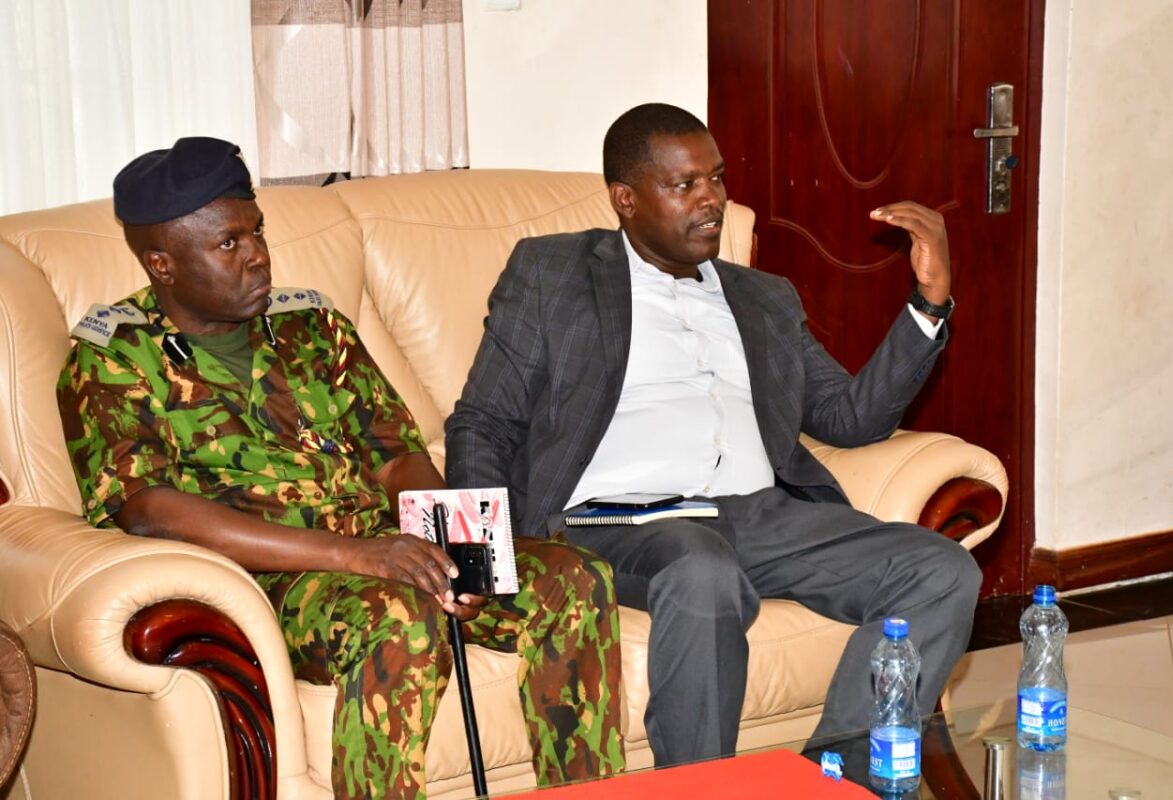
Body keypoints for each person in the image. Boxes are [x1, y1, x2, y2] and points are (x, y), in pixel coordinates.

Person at [56, 137, 624, 800]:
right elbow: (149, 512)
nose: (258, 257)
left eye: (257, 232)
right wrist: (358, 556)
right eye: (228, 245)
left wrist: (452, 550)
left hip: (381, 550)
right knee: (399, 615)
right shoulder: (115, 360)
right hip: (274, 582)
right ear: (163, 264)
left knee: (574, 579)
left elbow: (396, 456)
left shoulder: (312, 325)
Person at [444, 103, 982, 768]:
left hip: (759, 515)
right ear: (625, 199)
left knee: (939, 568)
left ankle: (835, 782)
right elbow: (484, 419)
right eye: (683, 186)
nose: (711, 201)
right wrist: (473, 560)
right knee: (701, 567)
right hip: (621, 521)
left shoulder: (762, 297)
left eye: (717, 180)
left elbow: (850, 417)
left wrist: (928, 303)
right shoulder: (556, 275)